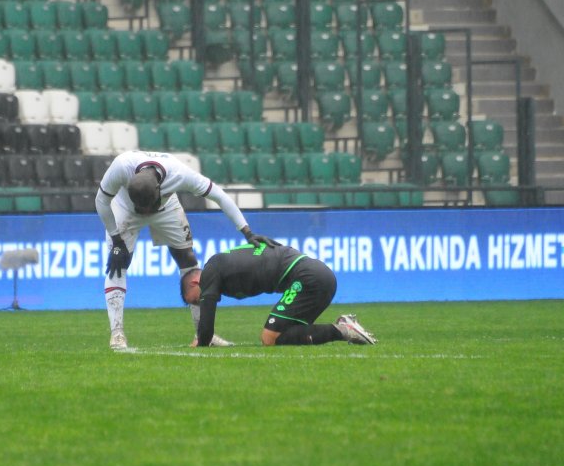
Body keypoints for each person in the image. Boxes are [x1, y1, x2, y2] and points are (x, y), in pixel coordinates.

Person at [95, 150, 278, 350]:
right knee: (117, 265)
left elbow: (218, 195)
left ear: (159, 187)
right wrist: (116, 239)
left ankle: (203, 334)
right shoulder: (121, 166)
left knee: (189, 261)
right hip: (125, 209)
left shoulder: (179, 173)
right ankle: (117, 333)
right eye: (143, 208)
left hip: (165, 208)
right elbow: (101, 201)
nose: (145, 213)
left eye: (148, 207)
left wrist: (247, 232)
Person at [181, 241, 376, 347]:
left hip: (306, 277)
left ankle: (343, 329)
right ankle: (343, 331)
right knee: (284, 336)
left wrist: (202, 342)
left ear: (195, 282)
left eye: (196, 299)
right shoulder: (225, 262)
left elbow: (207, 324)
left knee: (269, 338)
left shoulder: (210, 270)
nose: (202, 301)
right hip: (318, 276)